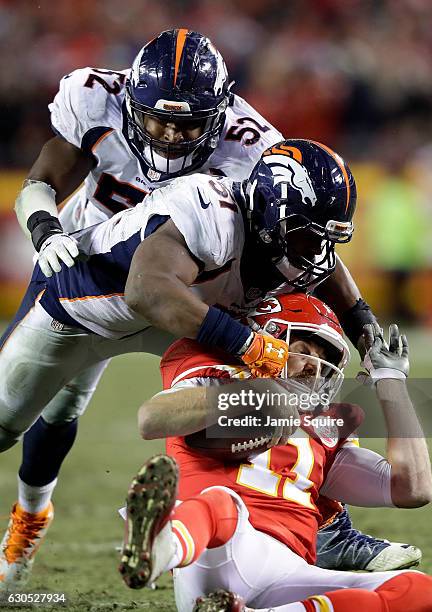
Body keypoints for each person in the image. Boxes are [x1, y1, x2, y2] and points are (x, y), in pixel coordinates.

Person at [1, 139, 365, 589]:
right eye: (308, 236)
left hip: (179, 319)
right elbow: (147, 292)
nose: (315, 252)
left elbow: (327, 274)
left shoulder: (282, 234)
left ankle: (320, 522)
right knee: (10, 425)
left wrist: (362, 324)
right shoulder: (210, 210)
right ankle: (30, 516)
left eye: (325, 239)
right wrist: (254, 346)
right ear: (271, 209)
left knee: (273, 396)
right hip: (79, 310)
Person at [118, 299, 432, 612]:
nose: (313, 368)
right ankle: (162, 549)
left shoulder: (325, 430)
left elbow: (413, 489)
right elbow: (152, 419)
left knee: (422, 592)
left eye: (321, 360)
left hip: (287, 571)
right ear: (267, 344)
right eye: (302, 352)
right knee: (222, 503)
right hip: (210, 551)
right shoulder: (221, 380)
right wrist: (252, 396)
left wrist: (392, 383)